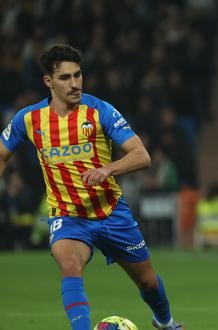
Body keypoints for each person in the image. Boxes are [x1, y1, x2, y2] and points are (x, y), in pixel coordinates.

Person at [0, 44, 181, 330]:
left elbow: (141, 155)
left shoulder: (100, 111)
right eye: (65, 78)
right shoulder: (28, 119)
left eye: (78, 75)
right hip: (68, 217)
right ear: (48, 82)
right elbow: (2, 154)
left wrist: (108, 169)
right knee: (69, 266)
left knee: (147, 280)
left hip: (111, 212)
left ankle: (165, 322)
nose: (74, 84)